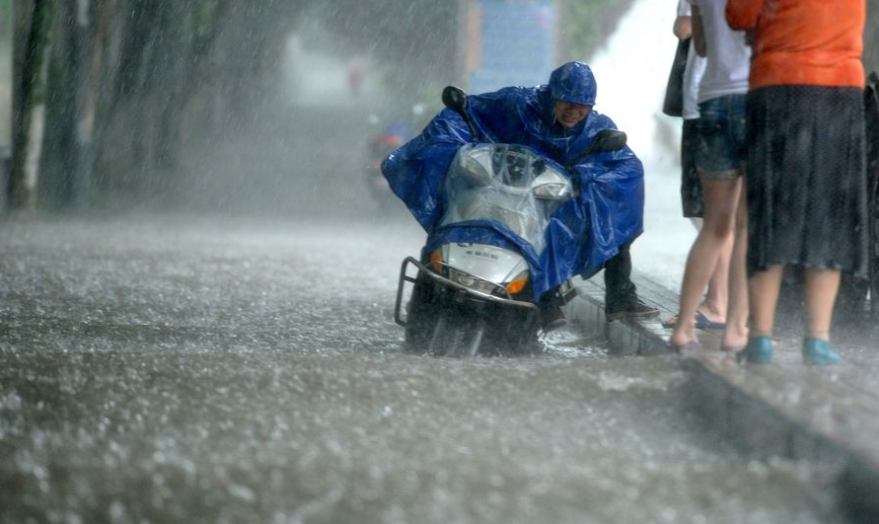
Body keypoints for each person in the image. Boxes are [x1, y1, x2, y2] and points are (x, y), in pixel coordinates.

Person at [382, 62, 659, 330]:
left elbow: (626, 168)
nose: (574, 112)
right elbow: (463, 113)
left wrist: (582, 179)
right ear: (552, 95)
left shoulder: (596, 130)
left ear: (592, 106)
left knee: (614, 218)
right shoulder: (516, 104)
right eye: (567, 102)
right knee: (448, 220)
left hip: (551, 212)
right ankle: (426, 290)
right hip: (492, 196)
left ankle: (612, 296)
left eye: (582, 106)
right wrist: (453, 150)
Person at [727, 0, 868, 365]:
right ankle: (818, 339)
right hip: (839, 92)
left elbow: (738, 15)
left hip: (779, 89)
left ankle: (760, 337)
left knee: (772, 209)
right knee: (830, 212)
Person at [668, 0, 750, 354]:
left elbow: (695, 40)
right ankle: (737, 328)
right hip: (757, 96)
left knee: (715, 223)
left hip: (712, 98)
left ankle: (687, 326)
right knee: (745, 224)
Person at [664, 0, 731, 330]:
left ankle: (718, 302)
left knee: (709, 211)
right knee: (722, 212)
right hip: (735, 98)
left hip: (708, 100)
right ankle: (725, 304)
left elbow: (686, 29)